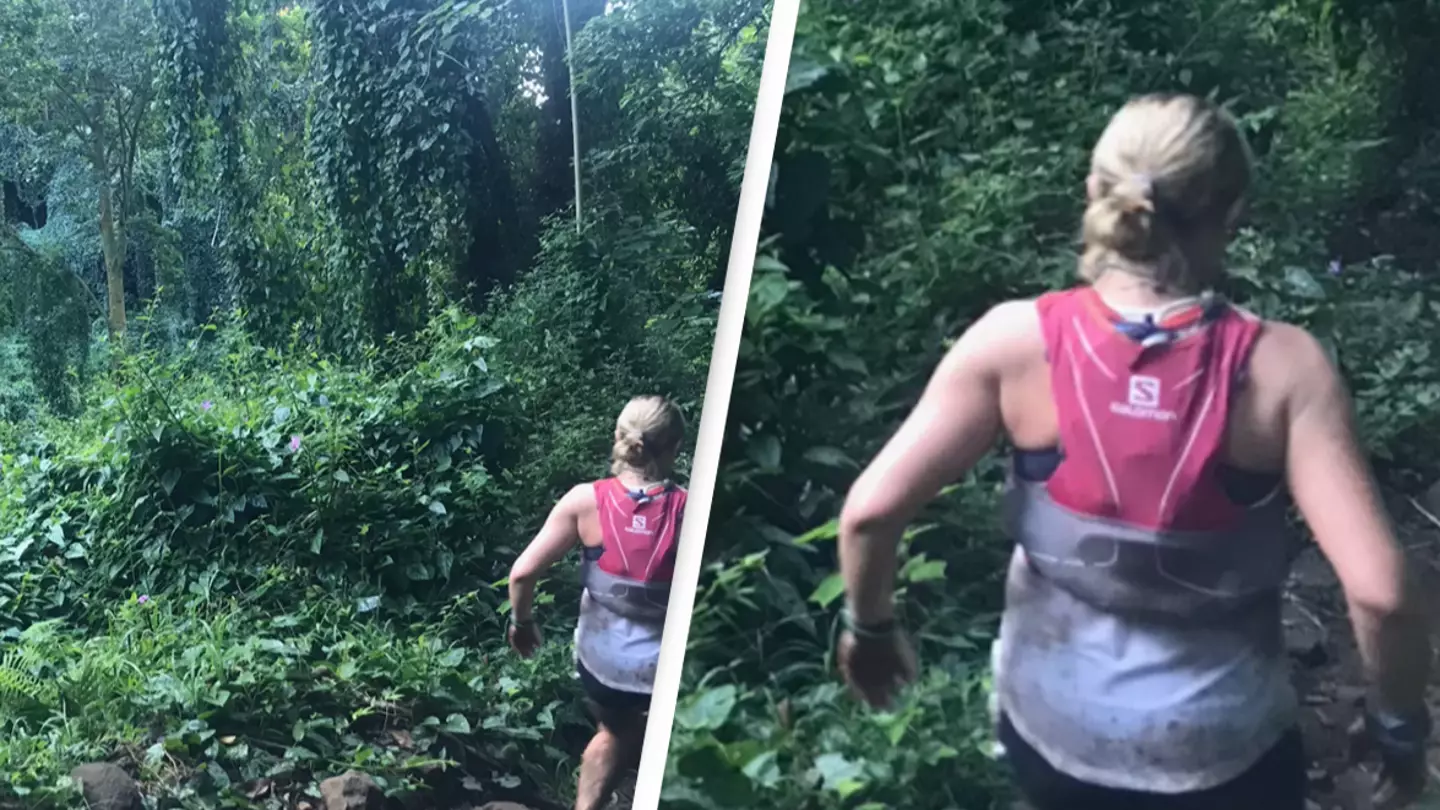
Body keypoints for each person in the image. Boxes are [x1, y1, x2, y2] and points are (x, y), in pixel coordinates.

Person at [834, 93, 1433, 810]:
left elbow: (869, 514)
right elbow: (1382, 594)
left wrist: (868, 630)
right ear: (1231, 214)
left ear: (1094, 192)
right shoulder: (1285, 370)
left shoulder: (1012, 342)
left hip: (1053, 740)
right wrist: (1399, 728)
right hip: (1224, 754)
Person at [507, 395, 688, 810]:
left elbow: (521, 573)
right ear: (675, 448)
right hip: (666, 669)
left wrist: (522, 623)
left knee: (613, 730)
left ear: (618, 438)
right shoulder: (690, 507)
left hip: (603, 667)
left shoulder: (584, 501)